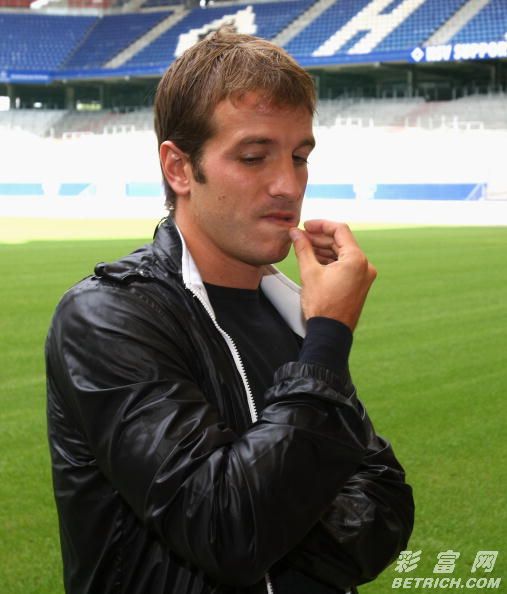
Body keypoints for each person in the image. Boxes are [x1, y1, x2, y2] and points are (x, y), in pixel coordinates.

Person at [45, 29, 414, 594]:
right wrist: (328, 339)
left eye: (300, 157)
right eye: (253, 157)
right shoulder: (106, 317)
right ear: (178, 168)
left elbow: (385, 507)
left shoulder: (287, 308)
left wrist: (275, 519)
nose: (288, 185)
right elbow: (228, 528)